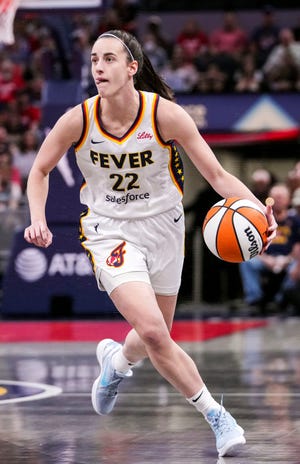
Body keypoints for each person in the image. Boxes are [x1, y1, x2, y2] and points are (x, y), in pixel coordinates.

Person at [23, 29, 277, 458]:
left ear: (132, 68)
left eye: (108, 59)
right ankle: (217, 415)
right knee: (156, 333)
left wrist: (257, 209)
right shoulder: (78, 120)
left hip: (164, 228)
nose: (98, 68)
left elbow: (217, 177)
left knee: (155, 333)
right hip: (110, 231)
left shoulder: (165, 115)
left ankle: (117, 364)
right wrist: (36, 218)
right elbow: (39, 171)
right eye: (94, 60)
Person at [239, 183, 300, 315]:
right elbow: (253, 244)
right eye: (275, 197)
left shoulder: (295, 220)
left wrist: (287, 260)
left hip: (288, 259)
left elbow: (297, 246)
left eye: (281, 197)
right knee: (247, 262)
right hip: (265, 258)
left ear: (288, 200)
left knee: (297, 266)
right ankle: (254, 300)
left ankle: (281, 300)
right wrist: (267, 260)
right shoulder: (261, 219)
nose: (278, 200)